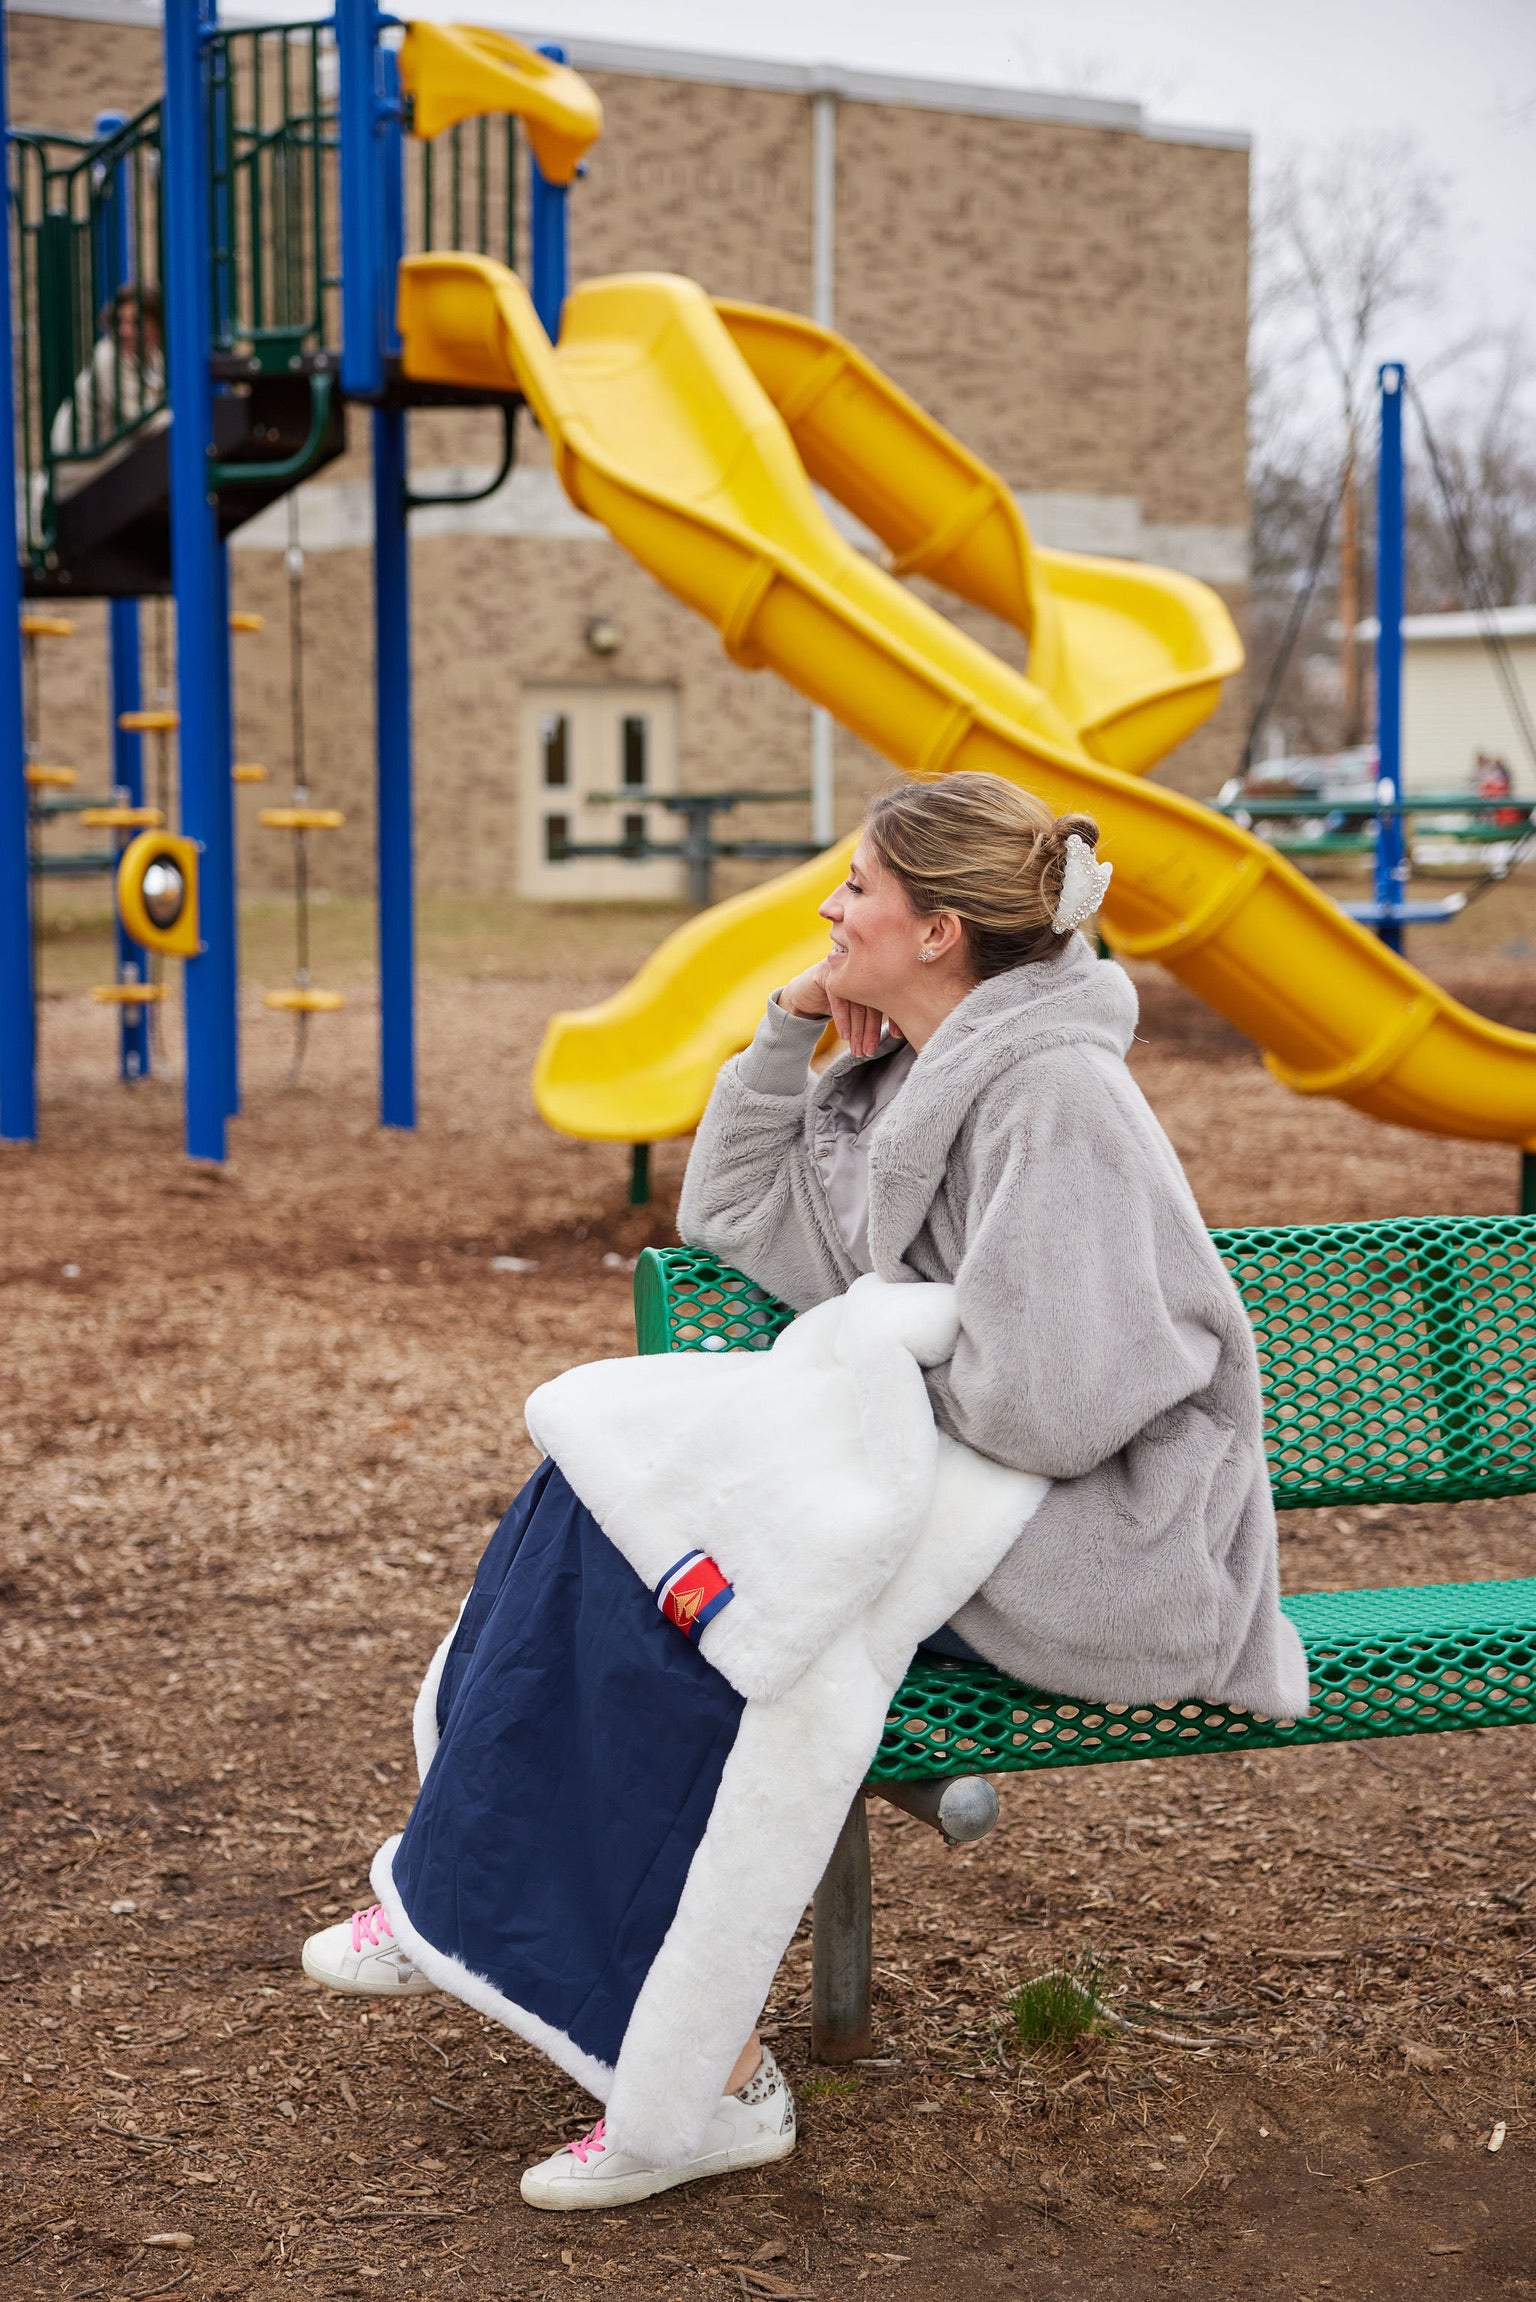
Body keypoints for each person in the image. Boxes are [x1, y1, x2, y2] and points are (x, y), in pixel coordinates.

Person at [301, 770, 1303, 2211]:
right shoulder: (911, 1062)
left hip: (1112, 1538)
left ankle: (700, 2084)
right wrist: (786, 1035)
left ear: (940, 928)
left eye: (857, 890)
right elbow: (741, 1220)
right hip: (989, 1492)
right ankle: (458, 1883)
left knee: (738, 1617)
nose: (831, 908)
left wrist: (869, 1360)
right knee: (596, 1471)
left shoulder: (1054, 1091)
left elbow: (1066, 1400)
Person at [48, 284, 166, 499]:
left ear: (156, 326)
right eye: (120, 322)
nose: (125, 331)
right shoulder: (109, 357)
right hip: (80, 470)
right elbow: (147, 422)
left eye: (136, 323)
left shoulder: (152, 358)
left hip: (103, 458)